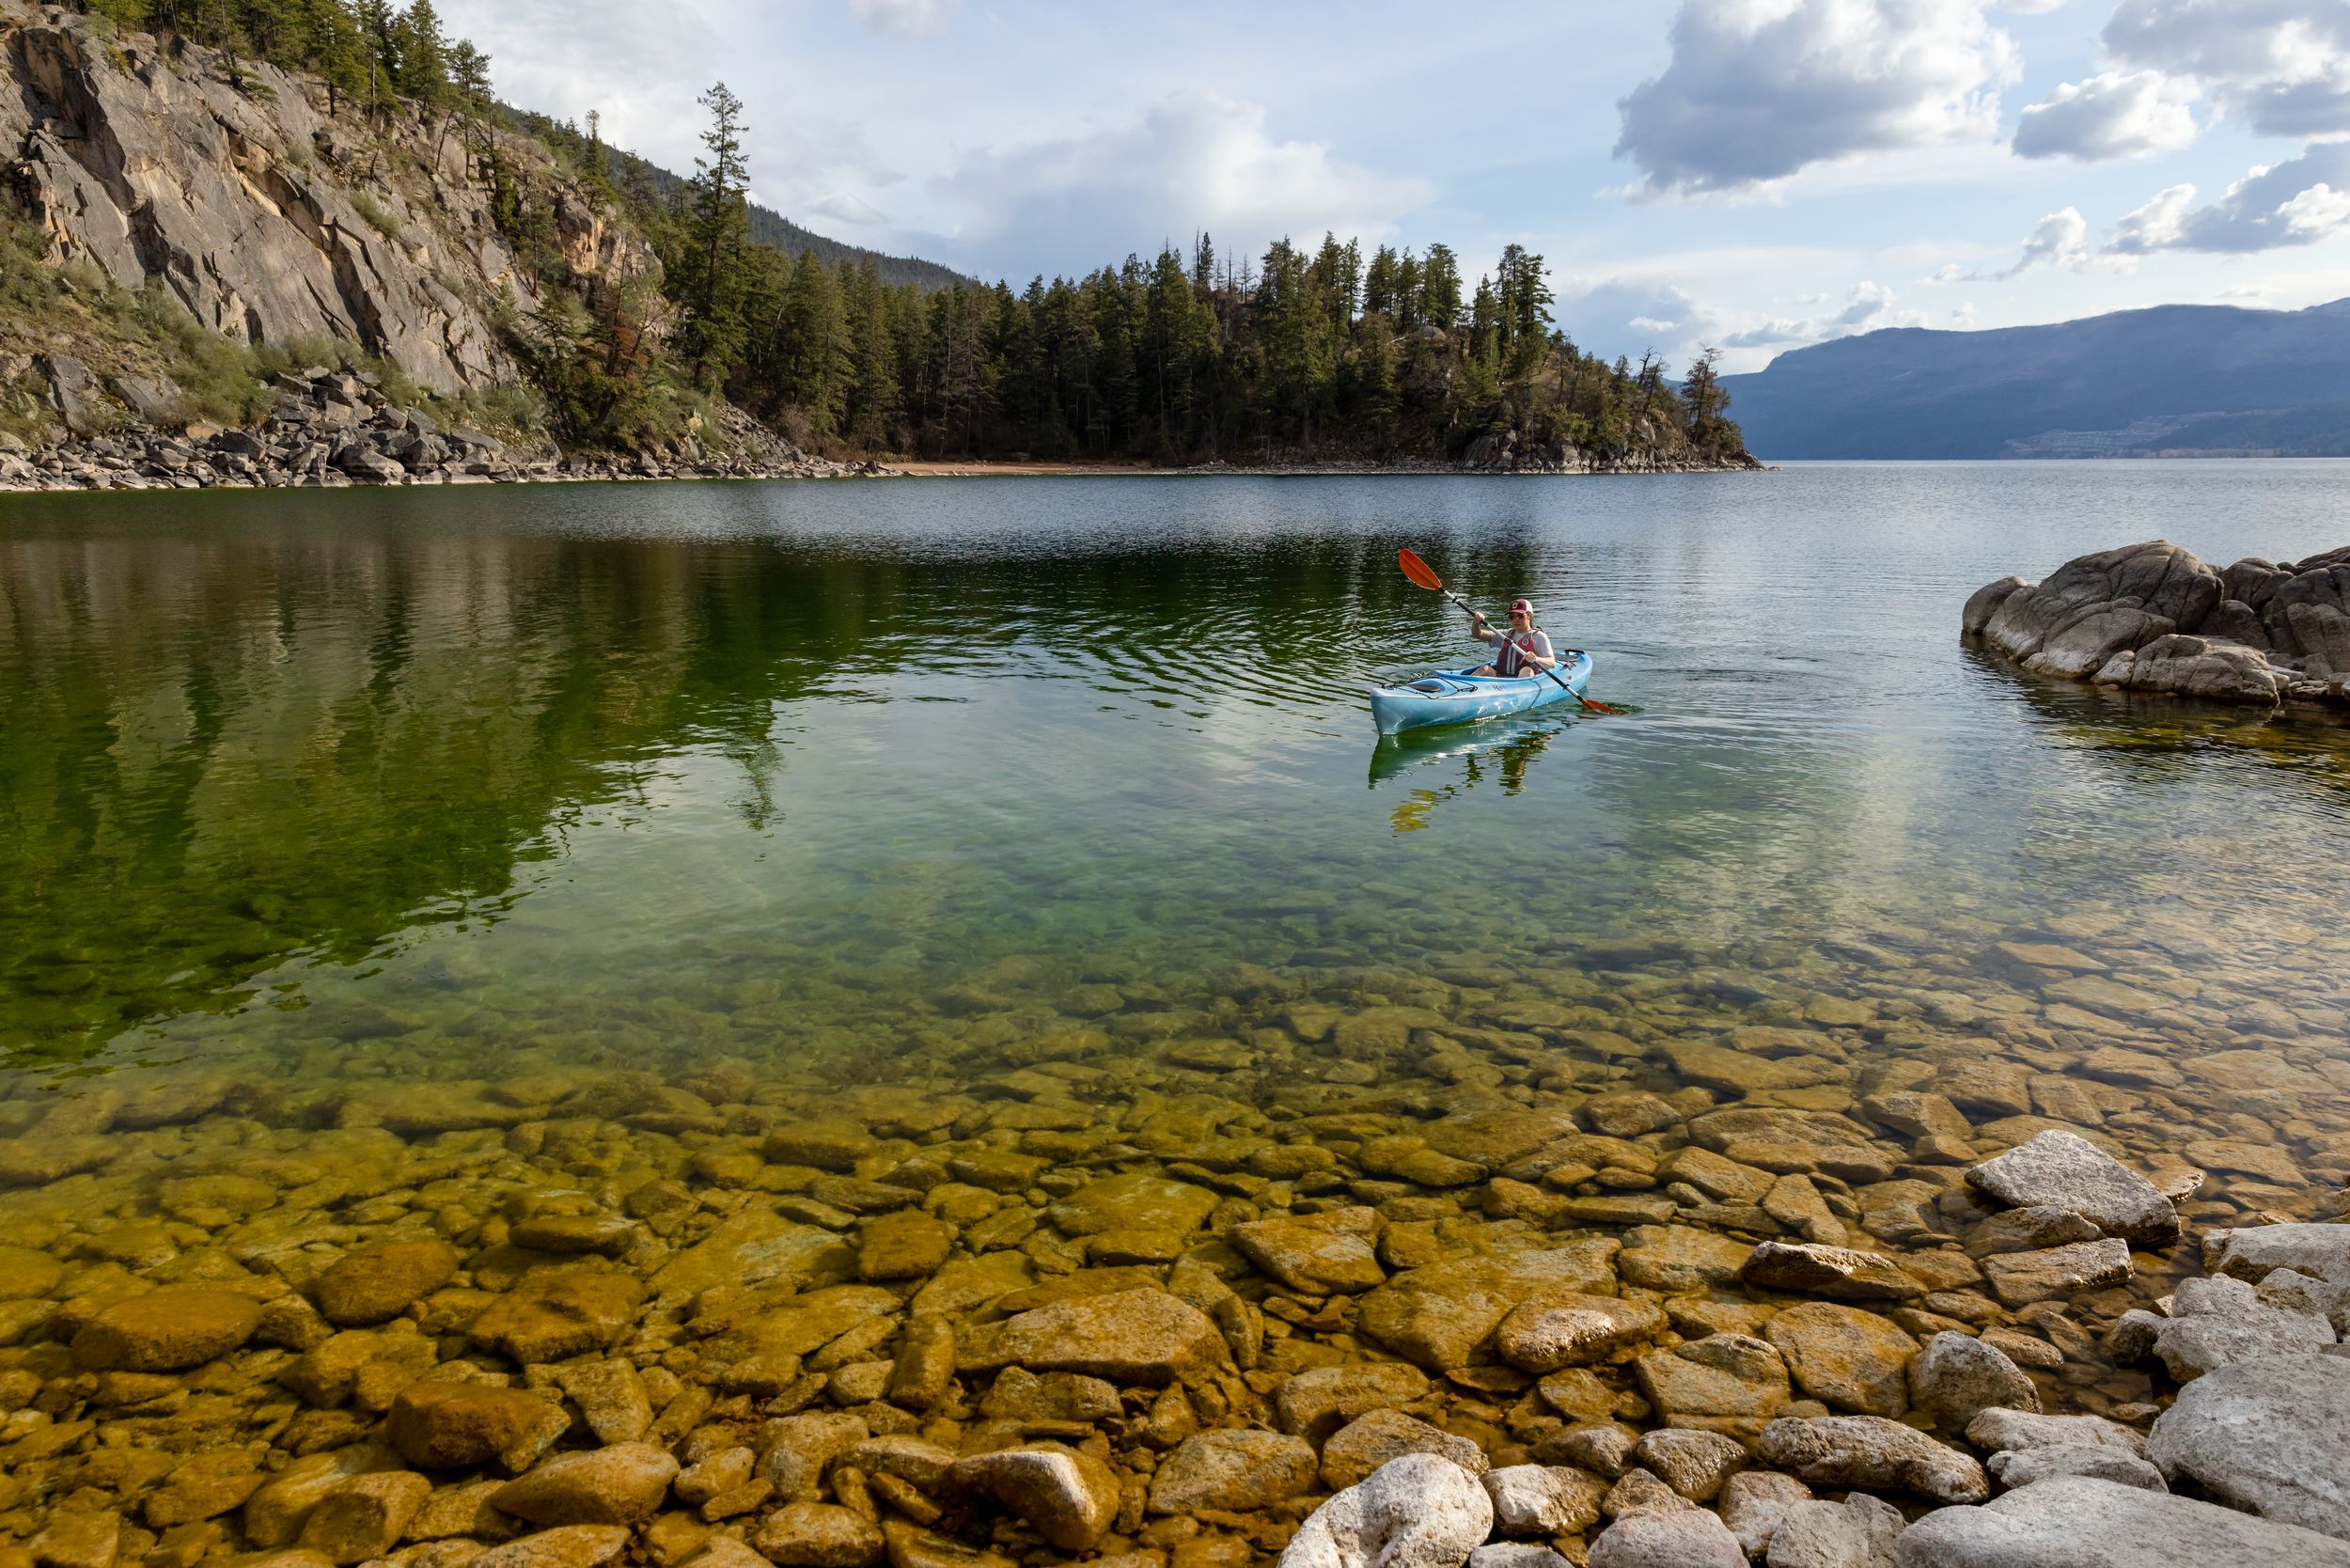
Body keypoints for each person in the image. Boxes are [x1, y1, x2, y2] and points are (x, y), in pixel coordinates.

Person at [1468, 598, 1556, 678]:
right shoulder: (1505, 634)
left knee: (1526, 670)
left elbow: (1551, 663)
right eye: (1511, 617)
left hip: (1525, 680)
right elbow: (1478, 635)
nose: (1515, 620)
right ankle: (1464, 687)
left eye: (1520, 616)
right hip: (1500, 677)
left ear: (1529, 616)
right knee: (1485, 669)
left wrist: (1536, 658)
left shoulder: (1538, 636)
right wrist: (1476, 622)